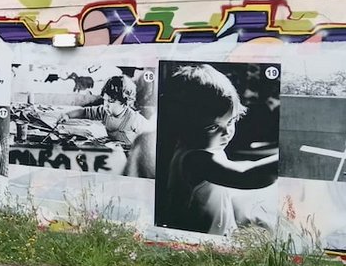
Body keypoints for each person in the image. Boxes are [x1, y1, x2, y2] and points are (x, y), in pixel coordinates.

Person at [160, 64, 278, 235]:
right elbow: (246, 176)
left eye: (231, 121)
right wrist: (286, 160)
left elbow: (231, 166)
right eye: (213, 127)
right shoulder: (195, 160)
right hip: (199, 242)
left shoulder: (204, 149)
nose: (227, 132)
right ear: (184, 127)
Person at [59, 75, 148, 148]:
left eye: (110, 101)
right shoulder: (104, 112)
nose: (106, 105)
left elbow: (151, 136)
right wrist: (67, 115)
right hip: (113, 154)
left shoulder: (134, 119)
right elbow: (85, 112)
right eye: (105, 100)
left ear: (124, 102)